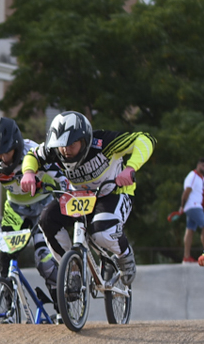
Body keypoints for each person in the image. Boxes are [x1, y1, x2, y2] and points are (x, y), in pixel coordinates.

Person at [20, 111, 155, 285]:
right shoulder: (54, 149)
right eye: (61, 145)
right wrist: (28, 173)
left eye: (71, 144)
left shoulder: (104, 142)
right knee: (46, 219)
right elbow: (33, 155)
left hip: (113, 192)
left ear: (84, 141)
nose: (65, 150)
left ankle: (124, 254)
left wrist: (130, 168)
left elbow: (145, 139)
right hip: (80, 196)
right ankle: (72, 268)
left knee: (101, 233)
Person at [0, 118, 63, 303]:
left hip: (43, 204)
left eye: (7, 152)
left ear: (16, 145)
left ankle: (61, 304)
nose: (4, 158)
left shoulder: (34, 152)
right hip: (14, 209)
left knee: (45, 260)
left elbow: (60, 175)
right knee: (5, 257)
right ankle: (8, 304)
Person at [178, 158, 204, 263]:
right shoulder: (193, 175)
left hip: (196, 206)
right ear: (198, 165)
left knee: (190, 231)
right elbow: (187, 191)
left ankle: (186, 257)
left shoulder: (202, 179)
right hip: (193, 206)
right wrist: (182, 206)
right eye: (203, 166)